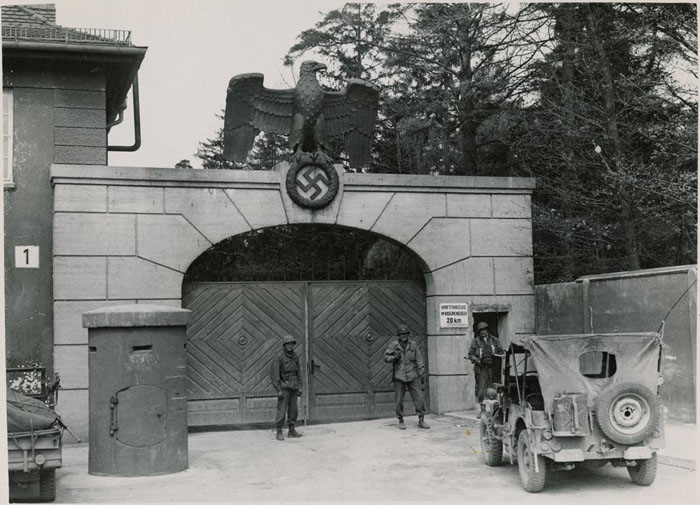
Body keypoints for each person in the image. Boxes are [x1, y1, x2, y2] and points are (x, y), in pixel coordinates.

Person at [384, 324, 430, 430]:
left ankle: (421, 420)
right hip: (399, 376)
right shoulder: (394, 345)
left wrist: (421, 372)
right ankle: (400, 420)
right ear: (398, 335)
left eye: (405, 334)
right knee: (399, 400)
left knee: (419, 398)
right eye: (401, 334)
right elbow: (385, 357)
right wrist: (394, 357)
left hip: (412, 375)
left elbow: (419, 359)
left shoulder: (413, 345)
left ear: (408, 334)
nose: (404, 336)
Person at [467, 321, 504, 417]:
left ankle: (496, 411)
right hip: (481, 368)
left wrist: (497, 358)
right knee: (481, 389)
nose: (483, 332)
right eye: (481, 330)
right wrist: (476, 359)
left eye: (484, 330)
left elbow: (501, 351)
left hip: (493, 367)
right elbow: (470, 354)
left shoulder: (495, 340)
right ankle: (482, 410)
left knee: (495, 388)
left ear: (487, 330)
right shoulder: (476, 341)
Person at [270, 334, 303, 441]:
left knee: (294, 410)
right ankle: (279, 431)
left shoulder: (295, 356)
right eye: (288, 344)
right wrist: (278, 389)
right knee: (281, 410)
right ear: (284, 345)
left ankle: (291, 430)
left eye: (292, 344)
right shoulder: (278, 357)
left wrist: (300, 385)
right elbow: (275, 374)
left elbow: (299, 372)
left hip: (294, 387)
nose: (290, 346)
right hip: (284, 387)